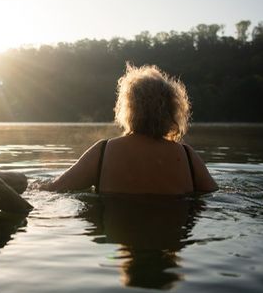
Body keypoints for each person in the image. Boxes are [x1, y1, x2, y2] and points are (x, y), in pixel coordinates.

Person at [41, 64, 218, 195]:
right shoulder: (187, 157)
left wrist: (35, 184)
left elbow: (54, 189)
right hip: (172, 240)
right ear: (173, 110)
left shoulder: (103, 152)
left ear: (128, 109)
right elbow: (217, 196)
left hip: (119, 230)